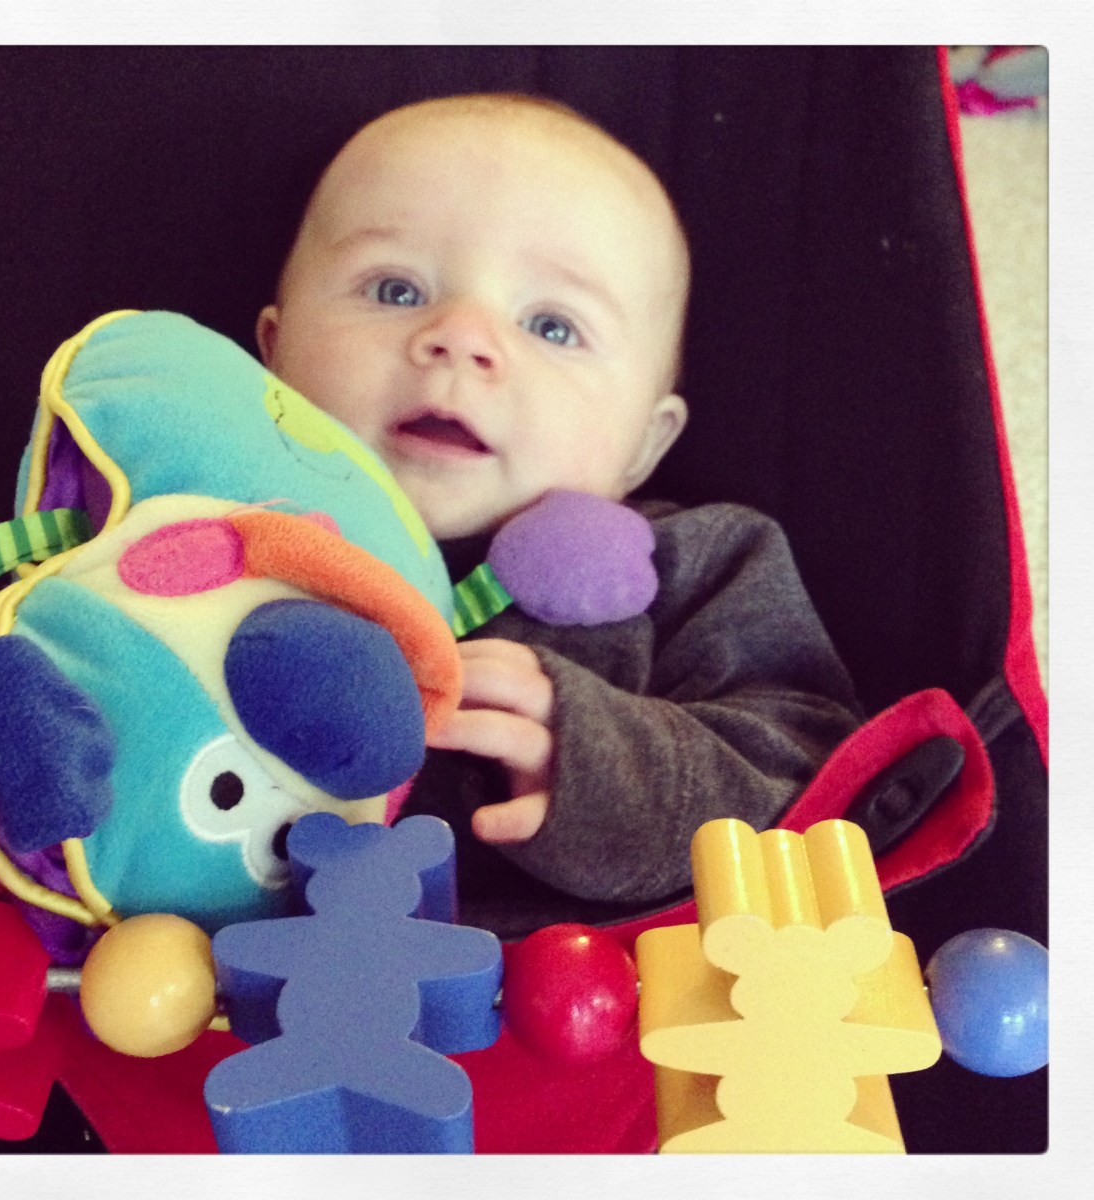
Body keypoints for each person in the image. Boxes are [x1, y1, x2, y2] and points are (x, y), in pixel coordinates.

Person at [255, 93, 861, 935]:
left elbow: (810, 780)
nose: (460, 338)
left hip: (584, 993)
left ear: (644, 445)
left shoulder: (699, 564)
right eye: (395, 288)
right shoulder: (193, 528)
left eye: (551, 326)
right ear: (272, 353)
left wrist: (600, 756)